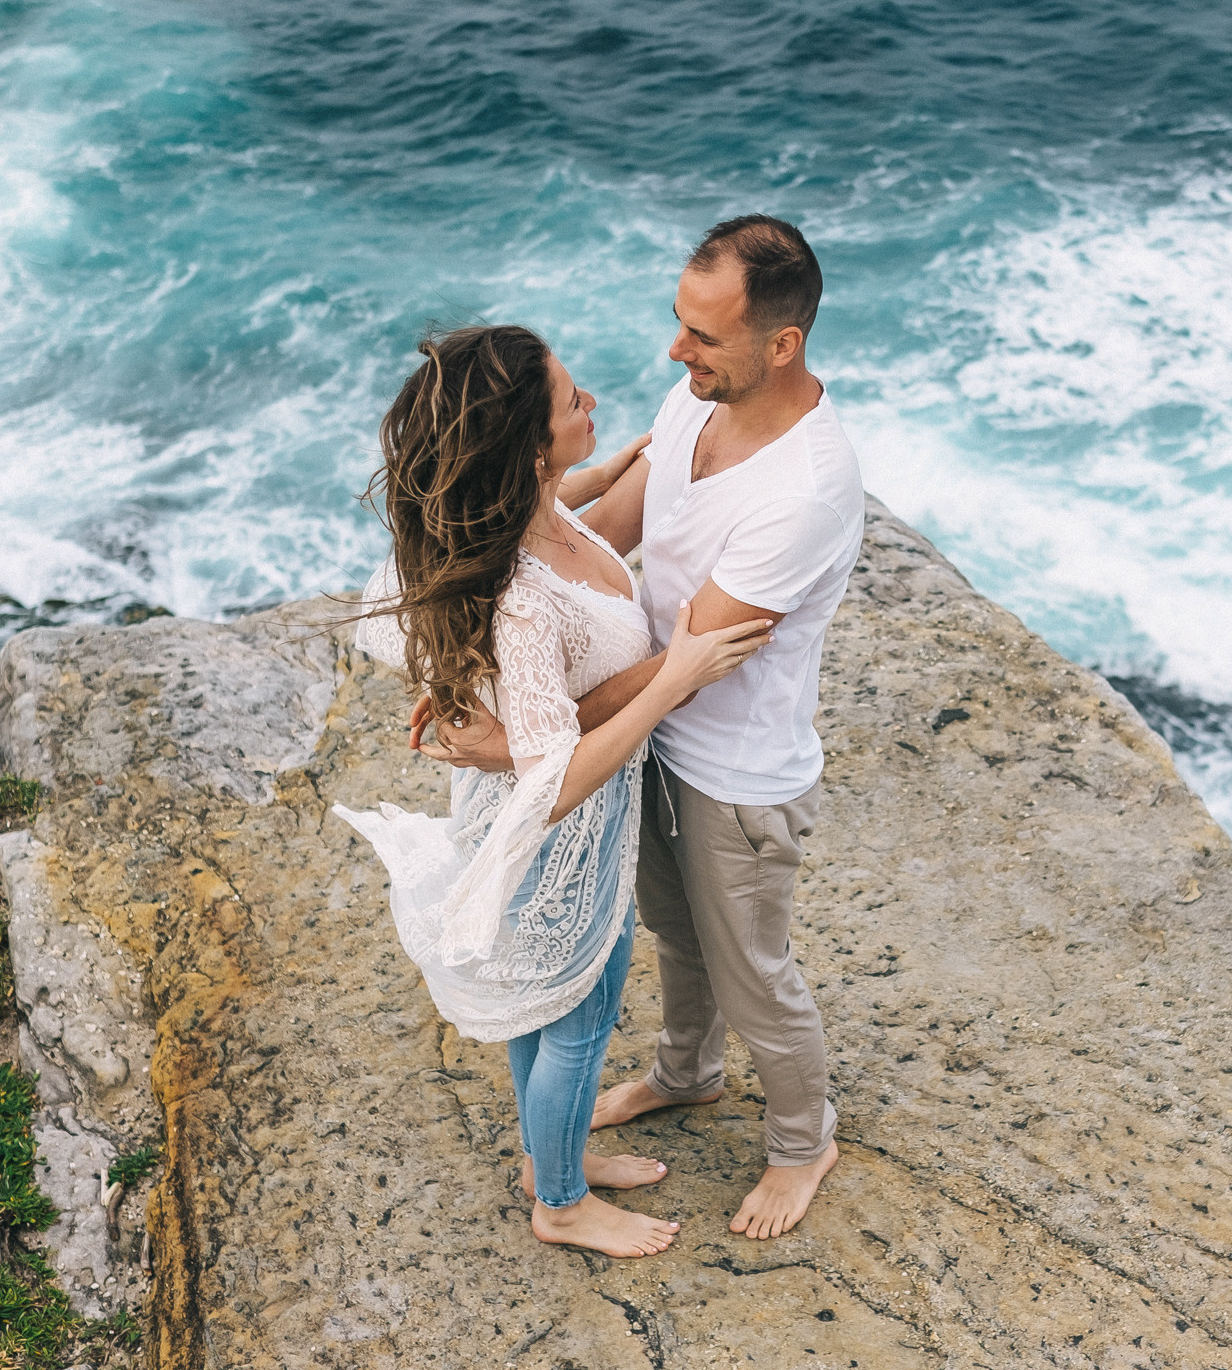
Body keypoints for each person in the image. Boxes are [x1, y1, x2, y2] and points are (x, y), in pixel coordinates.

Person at [415, 215, 863, 1241]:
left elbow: (690, 666)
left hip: (731, 766)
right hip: (646, 747)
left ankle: (805, 1139)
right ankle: (687, 1072)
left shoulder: (804, 490)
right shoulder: (693, 398)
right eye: (679, 322)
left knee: (754, 968)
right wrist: (478, 668)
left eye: (702, 335)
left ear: (780, 345)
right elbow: (599, 538)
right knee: (671, 931)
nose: (675, 351)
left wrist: (525, 741)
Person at [333, 323, 773, 1259]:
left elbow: (570, 524)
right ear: (530, 448)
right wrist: (673, 676)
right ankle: (561, 1202)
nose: (593, 405)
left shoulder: (536, 510)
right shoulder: (523, 603)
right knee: (576, 1009)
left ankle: (547, 1157)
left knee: (553, 996)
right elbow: (553, 774)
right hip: (554, 830)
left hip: (575, 822)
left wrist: (609, 471)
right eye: (575, 404)